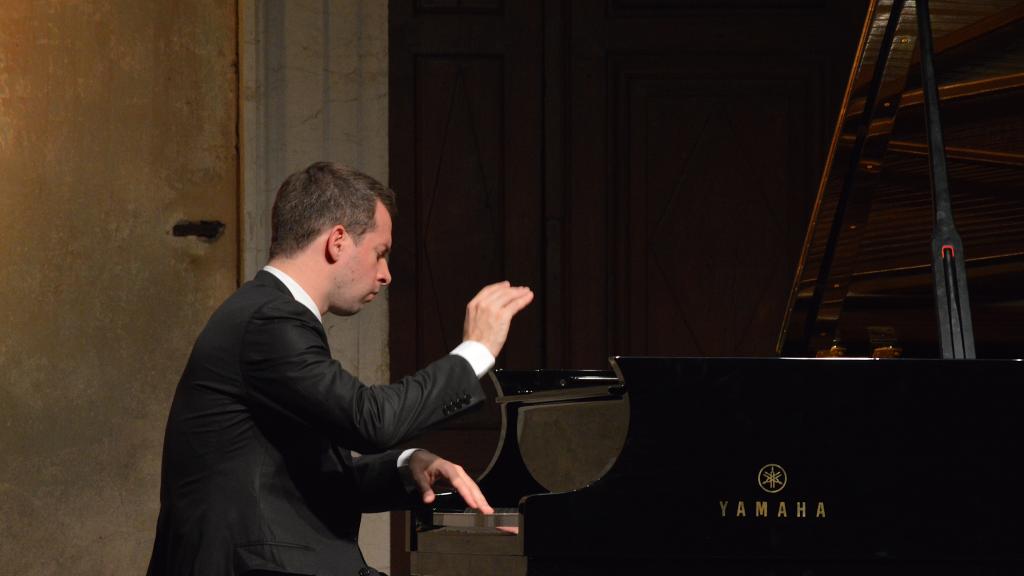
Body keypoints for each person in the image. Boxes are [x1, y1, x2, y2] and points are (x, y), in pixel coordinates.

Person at [146, 162, 533, 576]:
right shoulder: (269, 319)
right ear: (337, 241)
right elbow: (371, 421)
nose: (385, 275)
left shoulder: (266, 314)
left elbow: (309, 477)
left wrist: (406, 466)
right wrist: (475, 351)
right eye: (380, 253)